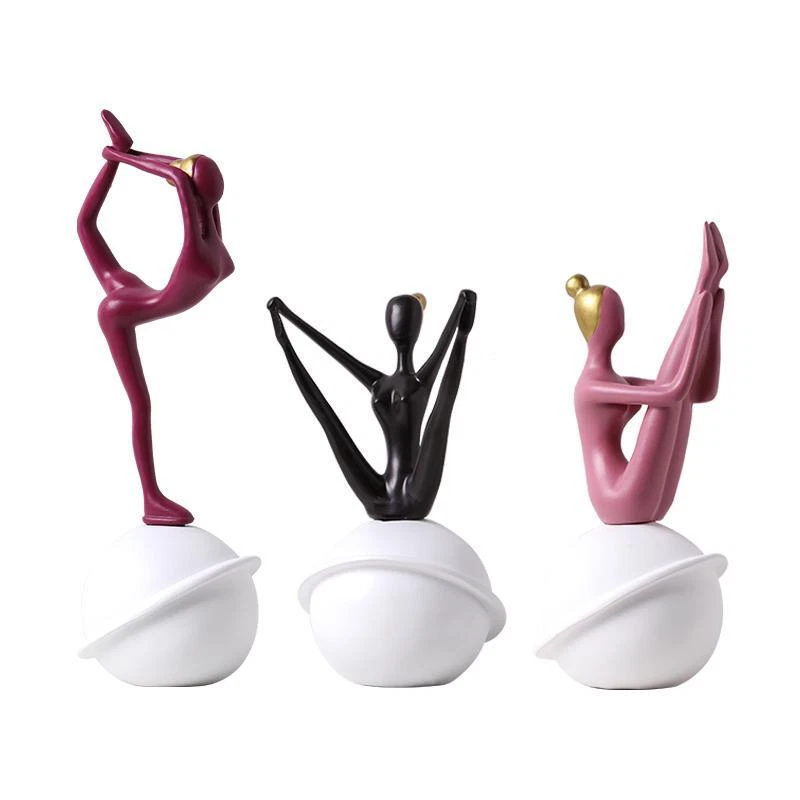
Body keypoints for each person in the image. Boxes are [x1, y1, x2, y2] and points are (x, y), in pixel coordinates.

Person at [78, 110, 234, 525]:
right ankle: (151, 498)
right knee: (141, 403)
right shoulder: (207, 235)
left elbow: (175, 174)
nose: (177, 171)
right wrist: (122, 156)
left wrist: (122, 155)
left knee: (86, 227)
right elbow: (177, 174)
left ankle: (115, 154)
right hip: (121, 312)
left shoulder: (209, 230)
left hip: (135, 293)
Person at [568, 222, 727, 524]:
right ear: (596, 325)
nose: (620, 322)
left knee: (680, 398)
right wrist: (700, 306)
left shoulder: (618, 380)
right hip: (614, 495)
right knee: (669, 399)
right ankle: (701, 283)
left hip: (638, 494)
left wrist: (712, 314)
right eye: (614, 315)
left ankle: (705, 283)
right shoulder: (589, 386)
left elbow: (700, 392)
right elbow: (671, 391)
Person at [268, 290, 476, 519]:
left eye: (405, 319)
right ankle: (286, 346)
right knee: (327, 419)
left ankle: (462, 339)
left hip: (417, 491)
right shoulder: (379, 383)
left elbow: (444, 347)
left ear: (418, 326)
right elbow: (332, 349)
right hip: (382, 493)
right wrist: (286, 323)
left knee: (443, 406)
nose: (398, 326)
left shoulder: (420, 380)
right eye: (394, 319)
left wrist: (462, 331)